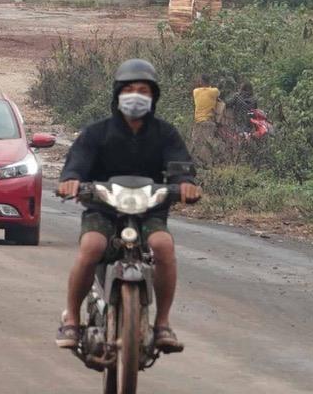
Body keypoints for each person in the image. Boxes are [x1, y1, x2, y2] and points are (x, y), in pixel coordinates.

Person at [55, 59, 200, 354]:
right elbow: (77, 163)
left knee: (163, 247)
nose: (136, 95)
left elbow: (180, 166)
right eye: (130, 89)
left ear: (153, 97)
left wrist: (184, 183)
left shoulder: (165, 133)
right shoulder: (97, 132)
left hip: (150, 211)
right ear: (118, 95)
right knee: (92, 247)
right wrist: (71, 181)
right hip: (103, 209)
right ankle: (71, 317)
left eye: (144, 90)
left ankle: (162, 324)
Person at [191, 75, 220, 162]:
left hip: (198, 121)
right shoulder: (214, 91)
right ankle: (211, 161)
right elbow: (218, 95)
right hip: (209, 121)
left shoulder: (195, 91)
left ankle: (208, 162)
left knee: (196, 142)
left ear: (201, 82)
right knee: (208, 143)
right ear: (209, 82)